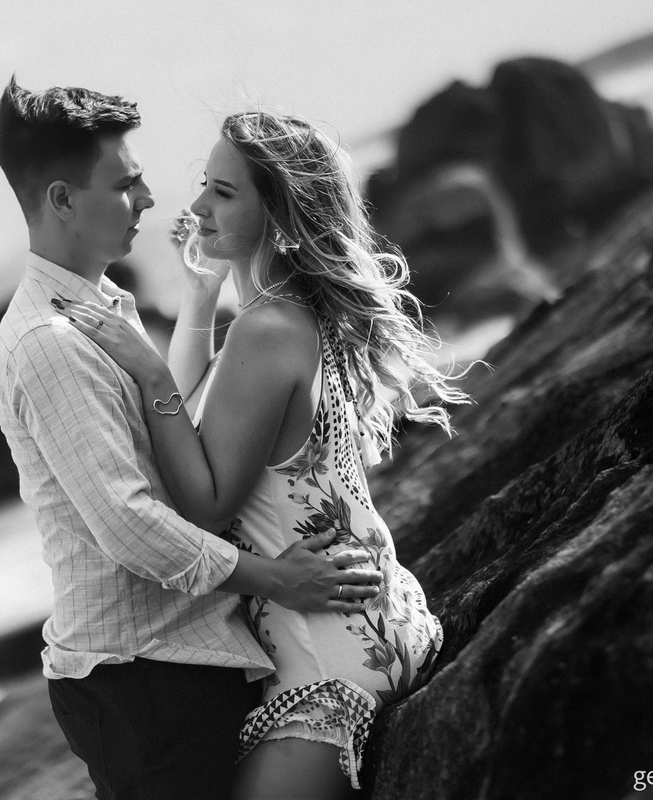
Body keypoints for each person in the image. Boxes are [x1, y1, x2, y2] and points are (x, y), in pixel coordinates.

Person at [0, 81, 385, 800]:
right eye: (126, 184)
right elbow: (129, 523)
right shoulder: (52, 343)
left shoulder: (105, 308)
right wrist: (275, 579)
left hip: (194, 653)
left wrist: (196, 302)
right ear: (62, 200)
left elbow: (186, 425)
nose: (151, 199)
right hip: (140, 674)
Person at [64, 110, 467, 799]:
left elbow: (205, 503)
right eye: (204, 184)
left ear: (279, 216)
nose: (197, 206)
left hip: (329, 668)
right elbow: (200, 408)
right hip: (383, 620)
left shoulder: (266, 330)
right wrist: (200, 293)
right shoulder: (296, 314)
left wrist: (148, 372)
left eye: (223, 192)